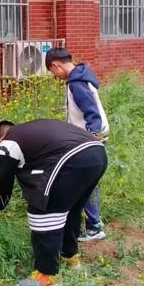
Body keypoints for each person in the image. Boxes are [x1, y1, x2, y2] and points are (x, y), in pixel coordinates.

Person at [0, 119, 107, 286]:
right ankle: (70, 257)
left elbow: (2, 179)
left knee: (42, 210)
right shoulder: (32, 131)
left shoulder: (8, 142)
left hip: (72, 158)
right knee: (70, 209)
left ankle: (47, 275)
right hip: (97, 154)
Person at [45, 48, 109, 242]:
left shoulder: (77, 83)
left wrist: (92, 140)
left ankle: (94, 226)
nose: (54, 76)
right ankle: (92, 223)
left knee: (85, 183)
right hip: (86, 140)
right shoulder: (80, 77)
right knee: (89, 183)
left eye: (52, 71)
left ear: (56, 65)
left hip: (88, 141)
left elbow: (92, 114)